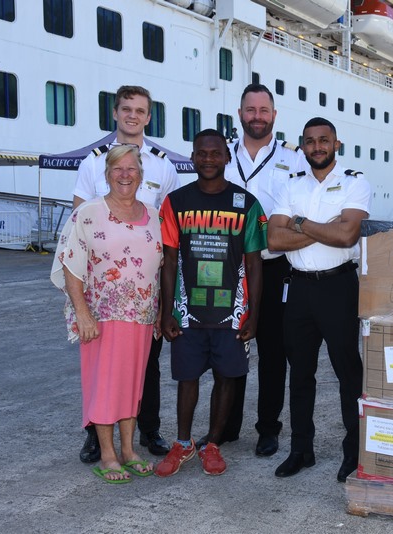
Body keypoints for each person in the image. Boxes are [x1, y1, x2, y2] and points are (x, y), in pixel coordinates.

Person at [73, 85, 179, 463]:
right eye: (126, 109)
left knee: (146, 362)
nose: (133, 116)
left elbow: (168, 226)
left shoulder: (163, 166)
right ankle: (94, 435)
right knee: (101, 364)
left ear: (149, 117)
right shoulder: (92, 162)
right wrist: (81, 301)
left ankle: (148, 429)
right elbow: (78, 227)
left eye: (140, 110)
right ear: (115, 113)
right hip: (104, 289)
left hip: (146, 288)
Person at [155, 129, 265, 477]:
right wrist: (168, 310)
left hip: (231, 313)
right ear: (192, 157)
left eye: (215, 153)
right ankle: (183, 443)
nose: (208, 159)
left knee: (226, 377)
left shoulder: (246, 204)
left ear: (226, 157)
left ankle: (213, 443)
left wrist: (254, 316)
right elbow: (169, 260)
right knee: (186, 378)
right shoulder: (175, 202)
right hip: (189, 312)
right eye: (201, 153)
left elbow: (255, 264)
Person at [267, 117, 371, 483]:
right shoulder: (289, 183)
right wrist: (323, 227)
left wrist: (299, 224)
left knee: (348, 371)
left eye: (323, 140)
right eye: (309, 141)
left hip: (338, 288)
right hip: (298, 289)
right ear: (303, 145)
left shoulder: (355, 181)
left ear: (336, 144)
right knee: (300, 373)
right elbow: (274, 240)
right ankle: (301, 450)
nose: (317, 147)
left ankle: (353, 453)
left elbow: (346, 237)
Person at [51, 145, 163, 483]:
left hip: (142, 317)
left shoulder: (154, 216)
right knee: (103, 385)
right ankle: (108, 454)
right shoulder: (89, 213)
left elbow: (160, 268)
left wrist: (159, 312)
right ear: (107, 174)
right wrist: (82, 314)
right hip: (100, 317)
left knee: (132, 386)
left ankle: (128, 450)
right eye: (118, 169)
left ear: (141, 175)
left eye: (131, 169)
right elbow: (71, 264)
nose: (125, 174)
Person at [219, 83, 305, 457]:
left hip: (274, 267)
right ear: (240, 114)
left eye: (263, 110)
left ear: (274, 115)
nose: (257, 116)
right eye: (250, 110)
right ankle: (226, 425)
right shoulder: (221, 154)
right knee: (228, 347)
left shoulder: (295, 158)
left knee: (273, 351)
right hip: (226, 266)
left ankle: (268, 427)